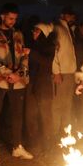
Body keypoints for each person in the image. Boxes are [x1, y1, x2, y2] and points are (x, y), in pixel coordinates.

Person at [0, 3, 32, 164]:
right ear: (2, 16)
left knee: (17, 115)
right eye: (10, 18)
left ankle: (17, 146)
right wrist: (7, 73)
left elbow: (24, 54)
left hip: (17, 81)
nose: (13, 21)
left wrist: (19, 74)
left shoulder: (18, 34)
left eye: (15, 19)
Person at [26, 22, 56, 153]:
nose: (34, 33)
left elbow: (46, 62)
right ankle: (34, 143)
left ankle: (48, 145)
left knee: (45, 116)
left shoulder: (49, 46)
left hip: (43, 86)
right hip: (31, 84)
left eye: (37, 31)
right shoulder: (33, 45)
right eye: (33, 30)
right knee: (30, 115)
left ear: (44, 33)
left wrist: (31, 53)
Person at [52, 6, 78, 134]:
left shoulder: (69, 30)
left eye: (73, 16)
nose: (72, 18)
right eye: (70, 15)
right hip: (61, 72)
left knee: (67, 104)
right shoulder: (58, 28)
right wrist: (56, 71)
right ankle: (55, 134)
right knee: (58, 105)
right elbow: (54, 52)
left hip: (70, 72)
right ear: (63, 15)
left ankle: (65, 133)